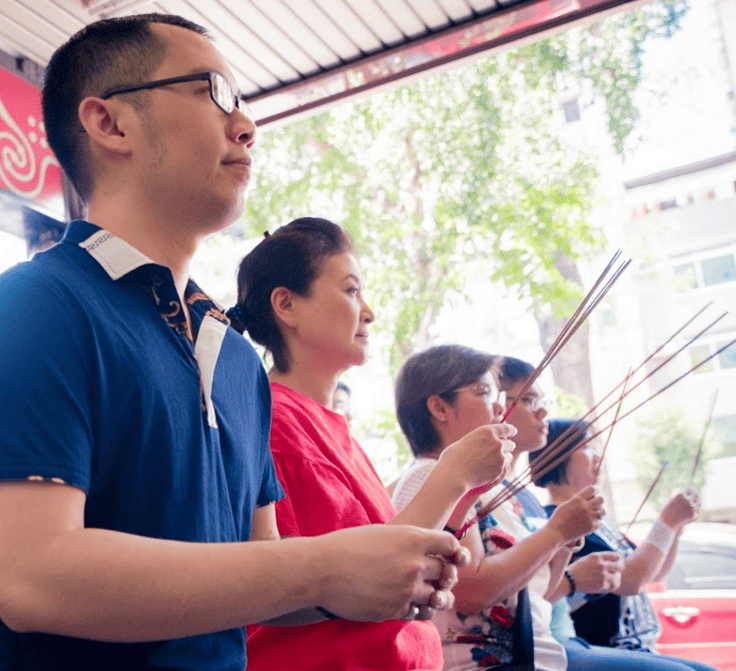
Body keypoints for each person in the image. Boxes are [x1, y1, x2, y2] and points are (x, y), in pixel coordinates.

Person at [0, 15, 466, 670]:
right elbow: (31, 575)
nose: (245, 124)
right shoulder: (35, 303)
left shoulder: (237, 359)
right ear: (110, 124)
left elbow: (260, 575)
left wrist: (359, 580)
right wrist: (321, 566)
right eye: (212, 91)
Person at [232, 217, 516, 670]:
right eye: (350, 291)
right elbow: (355, 575)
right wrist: (453, 474)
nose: (369, 312)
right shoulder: (276, 424)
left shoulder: (327, 426)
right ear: (286, 305)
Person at [392, 345, 608, 671]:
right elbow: (473, 593)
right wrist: (556, 531)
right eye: (482, 392)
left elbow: (535, 592)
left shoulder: (484, 484)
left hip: (535, 656)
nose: (497, 406)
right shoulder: (432, 476)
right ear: (439, 407)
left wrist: (565, 538)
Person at [530, 418, 717, 671]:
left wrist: (674, 530)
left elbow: (654, 571)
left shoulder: (597, 519)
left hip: (636, 646)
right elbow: (631, 579)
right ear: (558, 455)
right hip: (606, 647)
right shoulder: (558, 519)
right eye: (587, 447)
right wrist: (666, 525)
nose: (599, 456)